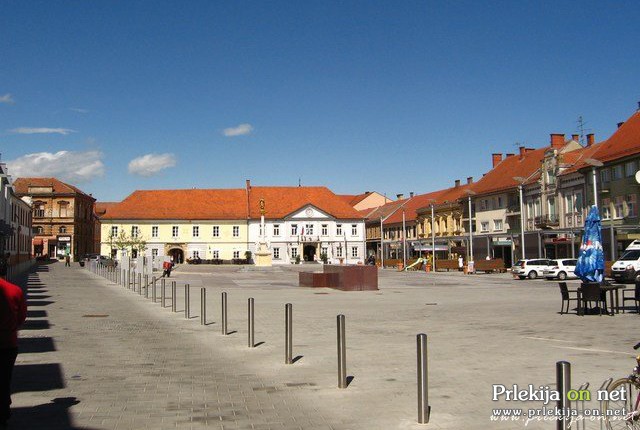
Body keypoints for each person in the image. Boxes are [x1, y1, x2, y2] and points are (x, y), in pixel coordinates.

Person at [0, 260, 27, 428]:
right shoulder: (15, 290)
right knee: (4, 378)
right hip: (8, 343)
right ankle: (3, 410)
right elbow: (21, 317)